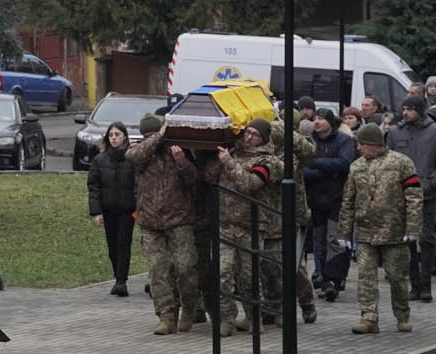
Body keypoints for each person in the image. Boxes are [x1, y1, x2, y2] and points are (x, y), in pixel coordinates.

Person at [212, 117, 314, 331]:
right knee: (223, 274)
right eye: (247, 133)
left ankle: (273, 311)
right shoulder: (236, 152)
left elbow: (251, 184)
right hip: (227, 223)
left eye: (255, 134)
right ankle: (227, 318)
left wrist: (228, 162)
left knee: (264, 273)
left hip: (260, 222)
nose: (249, 137)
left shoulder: (270, 161)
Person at [337, 122, 421, 334]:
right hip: (365, 232)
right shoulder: (356, 167)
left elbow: (414, 197)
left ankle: (402, 315)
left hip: (394, 232)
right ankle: (368, 317)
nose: (358, 149)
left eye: (362, 144)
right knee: (365, 276)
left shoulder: (402, 163)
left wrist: (413, 228)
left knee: (397, 277)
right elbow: (348, 200)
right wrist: (344, 232)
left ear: (374, 144)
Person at [127, 113, 206, 334]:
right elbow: (133, 157)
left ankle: (189, 308)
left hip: (179, 220)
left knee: (185, 268)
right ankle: (166, 316)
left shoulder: (178, 150)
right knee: (157, 271)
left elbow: (193, 179)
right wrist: (158, 137)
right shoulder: (140, 151)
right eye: (149, 135)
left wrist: (181, 161)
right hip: (150, 221)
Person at [384, 95, 436, 300]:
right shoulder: (396, 132)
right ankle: (413, 286)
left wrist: (432, 181)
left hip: (428, 194)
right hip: (402, 195)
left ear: (420, 110)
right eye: (404, 108)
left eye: (410, 109)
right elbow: (389, 161)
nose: (405, 112)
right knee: (407, 242)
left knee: (426, 238)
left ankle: (426, 285)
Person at [302, 108, 356, 301]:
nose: (316, 122)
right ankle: (323, 277)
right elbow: (301, 170)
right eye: (315, 118)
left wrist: (316, 162)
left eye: (321, 119)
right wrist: (325, 168)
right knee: (320, 240)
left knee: (335, 239)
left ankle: (334, 278)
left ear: (331, 122)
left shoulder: (343, 140)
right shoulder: (309, 141)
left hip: (337, 199)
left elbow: (344, 164)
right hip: (315, 200)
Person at [87, 121, 138, 295]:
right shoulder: (99, 160)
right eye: (111, 135)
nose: (114, 138)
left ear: (124, 136)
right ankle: (117, 275)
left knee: (124, 243)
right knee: (112, 245)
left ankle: (121, 280)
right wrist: (96, 212)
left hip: (127, 210)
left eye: (117, 134)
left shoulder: (132, 158)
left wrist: (137, 205)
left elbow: (138, 184)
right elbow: (94, 187)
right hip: (109, 210)